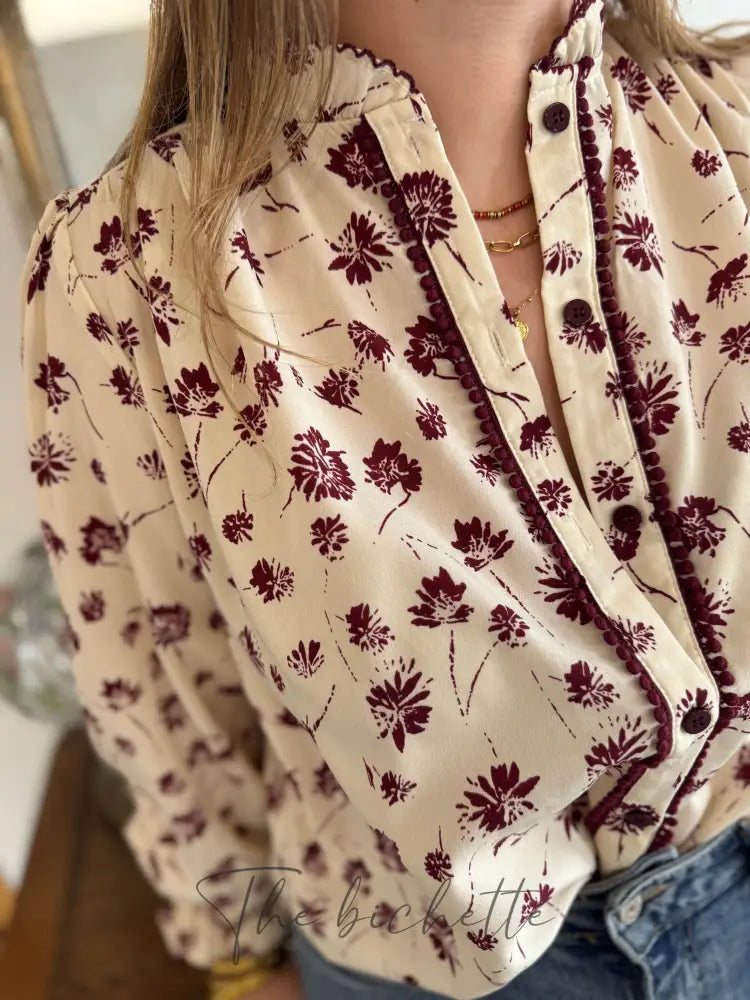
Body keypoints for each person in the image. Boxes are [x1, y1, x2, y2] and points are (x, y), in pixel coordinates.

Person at [18, 0, 750, 997]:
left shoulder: (731, 124)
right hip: (415, 960)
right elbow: (163, 691)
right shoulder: (128, 267)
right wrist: (240, 961)